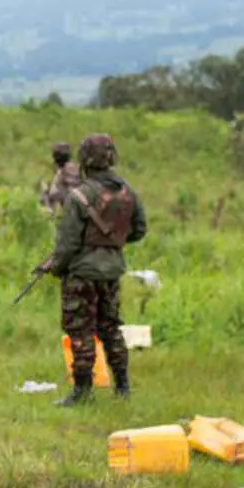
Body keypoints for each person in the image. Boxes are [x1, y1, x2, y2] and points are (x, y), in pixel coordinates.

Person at [40, 133, 147, 405]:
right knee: (111, 327)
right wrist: (111, 244)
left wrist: (56, 268)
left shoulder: (79, 196)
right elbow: (139, 230)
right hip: (112, 272)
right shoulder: (128, 192)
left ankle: (82, 391)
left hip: (82, 274)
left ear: (85, 159)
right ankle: (122, 387)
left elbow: (67, 245)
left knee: (81, 330)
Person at [37, 141, 81, 220]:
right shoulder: (78, 168)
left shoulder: (61, 173)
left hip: (68, 212)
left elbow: (54, 193)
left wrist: (46, 194)